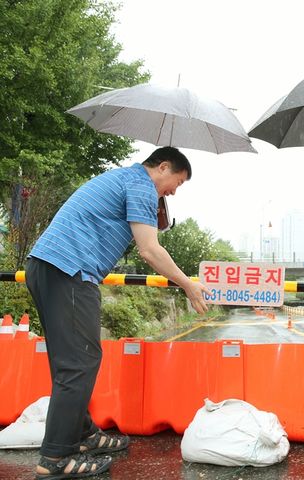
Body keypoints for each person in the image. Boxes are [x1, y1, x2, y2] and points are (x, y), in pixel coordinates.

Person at [25, 146, 210, 479]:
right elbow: (149, 249)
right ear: (163, 166)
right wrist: (188, 284)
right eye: (177, 183)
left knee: (71, 361)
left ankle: (82, 436)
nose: (173, 192)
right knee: (79, 363)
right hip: (70, 270)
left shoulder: (124, 179)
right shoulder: (140, 185)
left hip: (49, 267)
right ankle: (56, 458)